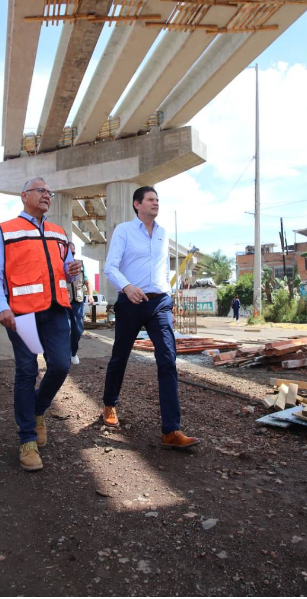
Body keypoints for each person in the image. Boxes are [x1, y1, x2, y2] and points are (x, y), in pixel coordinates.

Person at [0, 177, 82, 471]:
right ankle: (27, 440)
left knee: (62, 365)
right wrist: (2, 307)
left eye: (49, 191)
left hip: (54, 310)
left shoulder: (58, 232)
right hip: (21, 314)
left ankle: (38, 410)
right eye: (41, 190)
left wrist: (72, 271)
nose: (47, 195)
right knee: (27, 371)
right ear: (23, 195)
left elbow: (64, 272)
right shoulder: (7, 230)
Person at [101, 186, 198, 450]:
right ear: (137, 204)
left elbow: (163, 272)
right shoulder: (123, 230)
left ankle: (171, 430)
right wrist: (127, 287)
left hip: (160, 304)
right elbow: (110, 266)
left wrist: (170, 300)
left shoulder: (163, 234)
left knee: (167, 359)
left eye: (158, 200)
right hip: (131, 301)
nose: (156, 203)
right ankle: (109, 404)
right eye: (151, 199)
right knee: (120, 356)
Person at [68, 266, 86, 365]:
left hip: (78, 302)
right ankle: (65, 355)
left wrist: (91, 295)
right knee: (65, 328)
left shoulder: (81, 265)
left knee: (78, 330)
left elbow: (87, 281)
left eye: (73, 252)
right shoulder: (57, 261)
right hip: (63, 302)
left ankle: (73, 353)